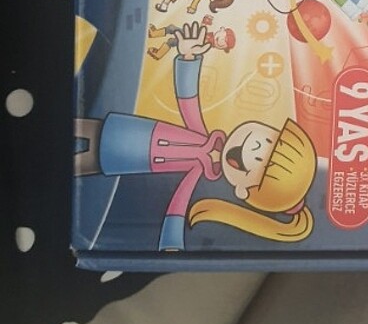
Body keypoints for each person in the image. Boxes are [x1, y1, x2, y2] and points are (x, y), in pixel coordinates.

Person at [74, 23, 316, 250]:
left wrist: (170, 243)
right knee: (81, 127)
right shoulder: (199, 132)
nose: (255, 150)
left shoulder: (194, 174)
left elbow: (178, 204)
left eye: (260, 165)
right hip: (126, 131)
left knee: (78, 166)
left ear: (242, 191)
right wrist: (188, 56)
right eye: (266, 141)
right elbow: (187, 100)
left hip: (123, 160)